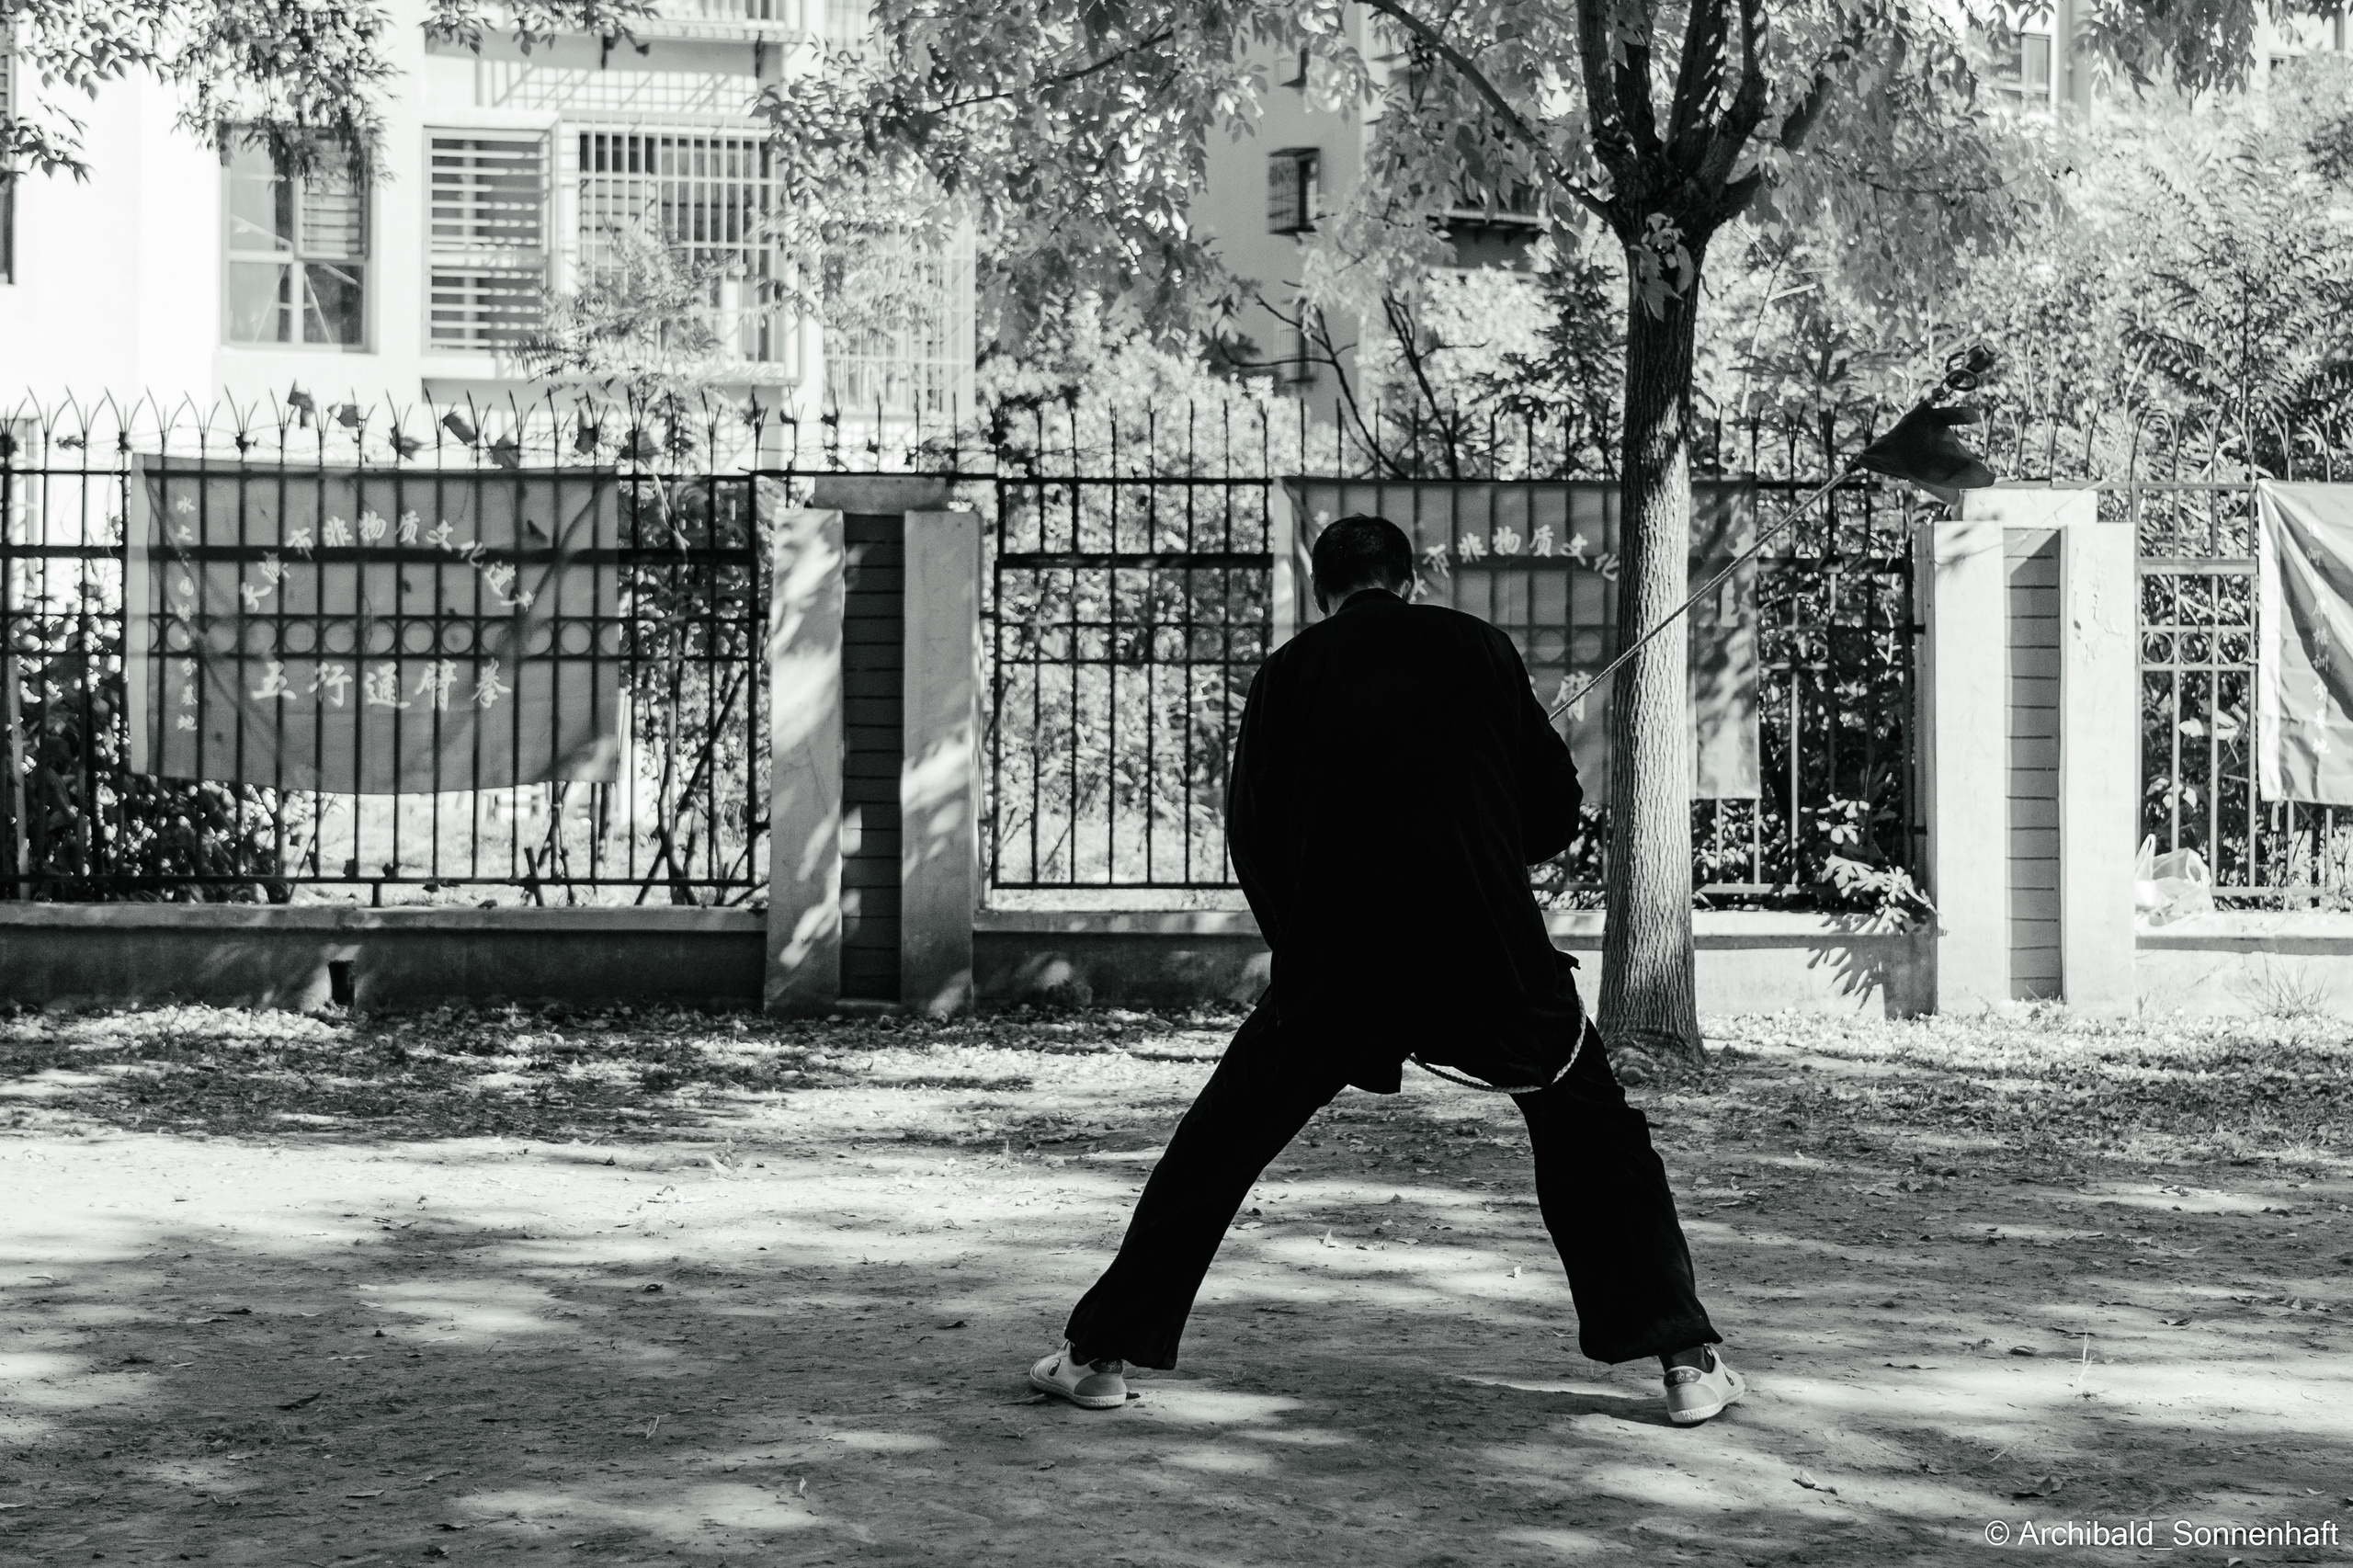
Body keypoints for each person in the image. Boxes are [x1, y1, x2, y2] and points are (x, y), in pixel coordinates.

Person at [1026, 514, 1744, 1426]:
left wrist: (1302, 947)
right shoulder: (1479, 648)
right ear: (1406, 578)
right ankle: (1685, 1362)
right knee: (1598, 1143)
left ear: (1320, 584)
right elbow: (1555, 812)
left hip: (1336, 967)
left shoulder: (1287, 674)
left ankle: (1096, 1356)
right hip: (1490, 958)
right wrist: (1483, 826)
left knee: (1216, 1146)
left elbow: (1253, 834)